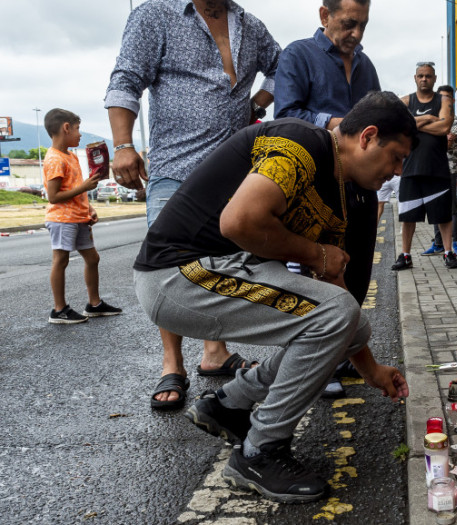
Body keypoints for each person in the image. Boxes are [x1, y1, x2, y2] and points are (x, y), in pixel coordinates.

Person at [135, 92, 412, 503]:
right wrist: (317, 253)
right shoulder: (301, 143)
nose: (396, 172)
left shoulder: (347, 192)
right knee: (336, 314)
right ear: (368, 137)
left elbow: (338, 299)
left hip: (223, 270)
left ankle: (231, 403)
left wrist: (368, 367)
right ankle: (261, 451)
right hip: (176, 276)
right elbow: (239, 220)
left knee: (349, 319)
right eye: (397, 157)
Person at [105, 0, 280, 409]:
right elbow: (126, 78)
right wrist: (124, 145)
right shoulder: (156, 14)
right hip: (175, 168)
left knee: (217, 264)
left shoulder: (250, 25)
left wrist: (257, 103)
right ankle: (172, 363)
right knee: (169, 267)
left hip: (232, 172)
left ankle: (215, 353)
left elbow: (282, 66)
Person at [274, 0, 381, 398]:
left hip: (360, 185)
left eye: (363, 25)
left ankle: (341, 354)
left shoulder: (366, 66)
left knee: (356, 272)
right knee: (318, 275)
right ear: (324, 16)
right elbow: (286, 115)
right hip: (316, 184)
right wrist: (341, 125)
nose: (356, 34)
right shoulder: (298, 55)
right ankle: (311, 361)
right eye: (349, 24)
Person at [42, 109, 122, 324]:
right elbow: (53, 196)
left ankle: (94, 304)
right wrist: (85, 186)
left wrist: (89, 208)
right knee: (61, 260)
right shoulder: (54, 159)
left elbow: (75, 188)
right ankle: (59, 309)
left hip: (78, 217)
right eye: (77, 129)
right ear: (66, 128)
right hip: (61, 219)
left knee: (93, 258)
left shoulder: (70, 155)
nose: (80, 134)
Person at [391, 63, 457, 270]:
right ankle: (405, 255)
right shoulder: (405, 101)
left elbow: (445, 126)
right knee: (408, 217)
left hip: (437, 168)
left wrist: (415, 124)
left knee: (443, 216)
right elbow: (399, 127)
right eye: (420, 76)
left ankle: (448, 252)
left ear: (434, 78)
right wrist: (428, 118)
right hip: (410, 169)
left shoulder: (443, 100)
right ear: (415, 78)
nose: (424, 79)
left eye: (428, 76)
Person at [422, 84, 457, 256]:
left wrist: (430, 134)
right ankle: (438, 243)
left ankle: (455, 242)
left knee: (451, 207)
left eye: (447, 97)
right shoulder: (433, 119)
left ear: (452, 100)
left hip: (450, 168)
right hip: (434, 168)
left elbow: (446, 142)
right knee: (435, 206)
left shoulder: (455, 120)